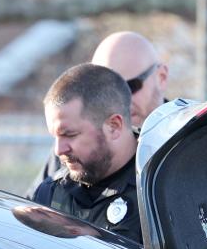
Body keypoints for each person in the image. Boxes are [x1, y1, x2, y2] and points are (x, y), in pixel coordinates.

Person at [27, 32, 169, 196]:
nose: (116, 100)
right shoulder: (69, 148)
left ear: (161, 77)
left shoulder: (185, 142)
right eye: (98, 92)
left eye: (130, 86)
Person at [31, 63, 142, 246]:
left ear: (113, 126)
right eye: (55, 136)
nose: (59, 150)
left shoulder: (158, 193)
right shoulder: (51, 193)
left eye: (69, 134)